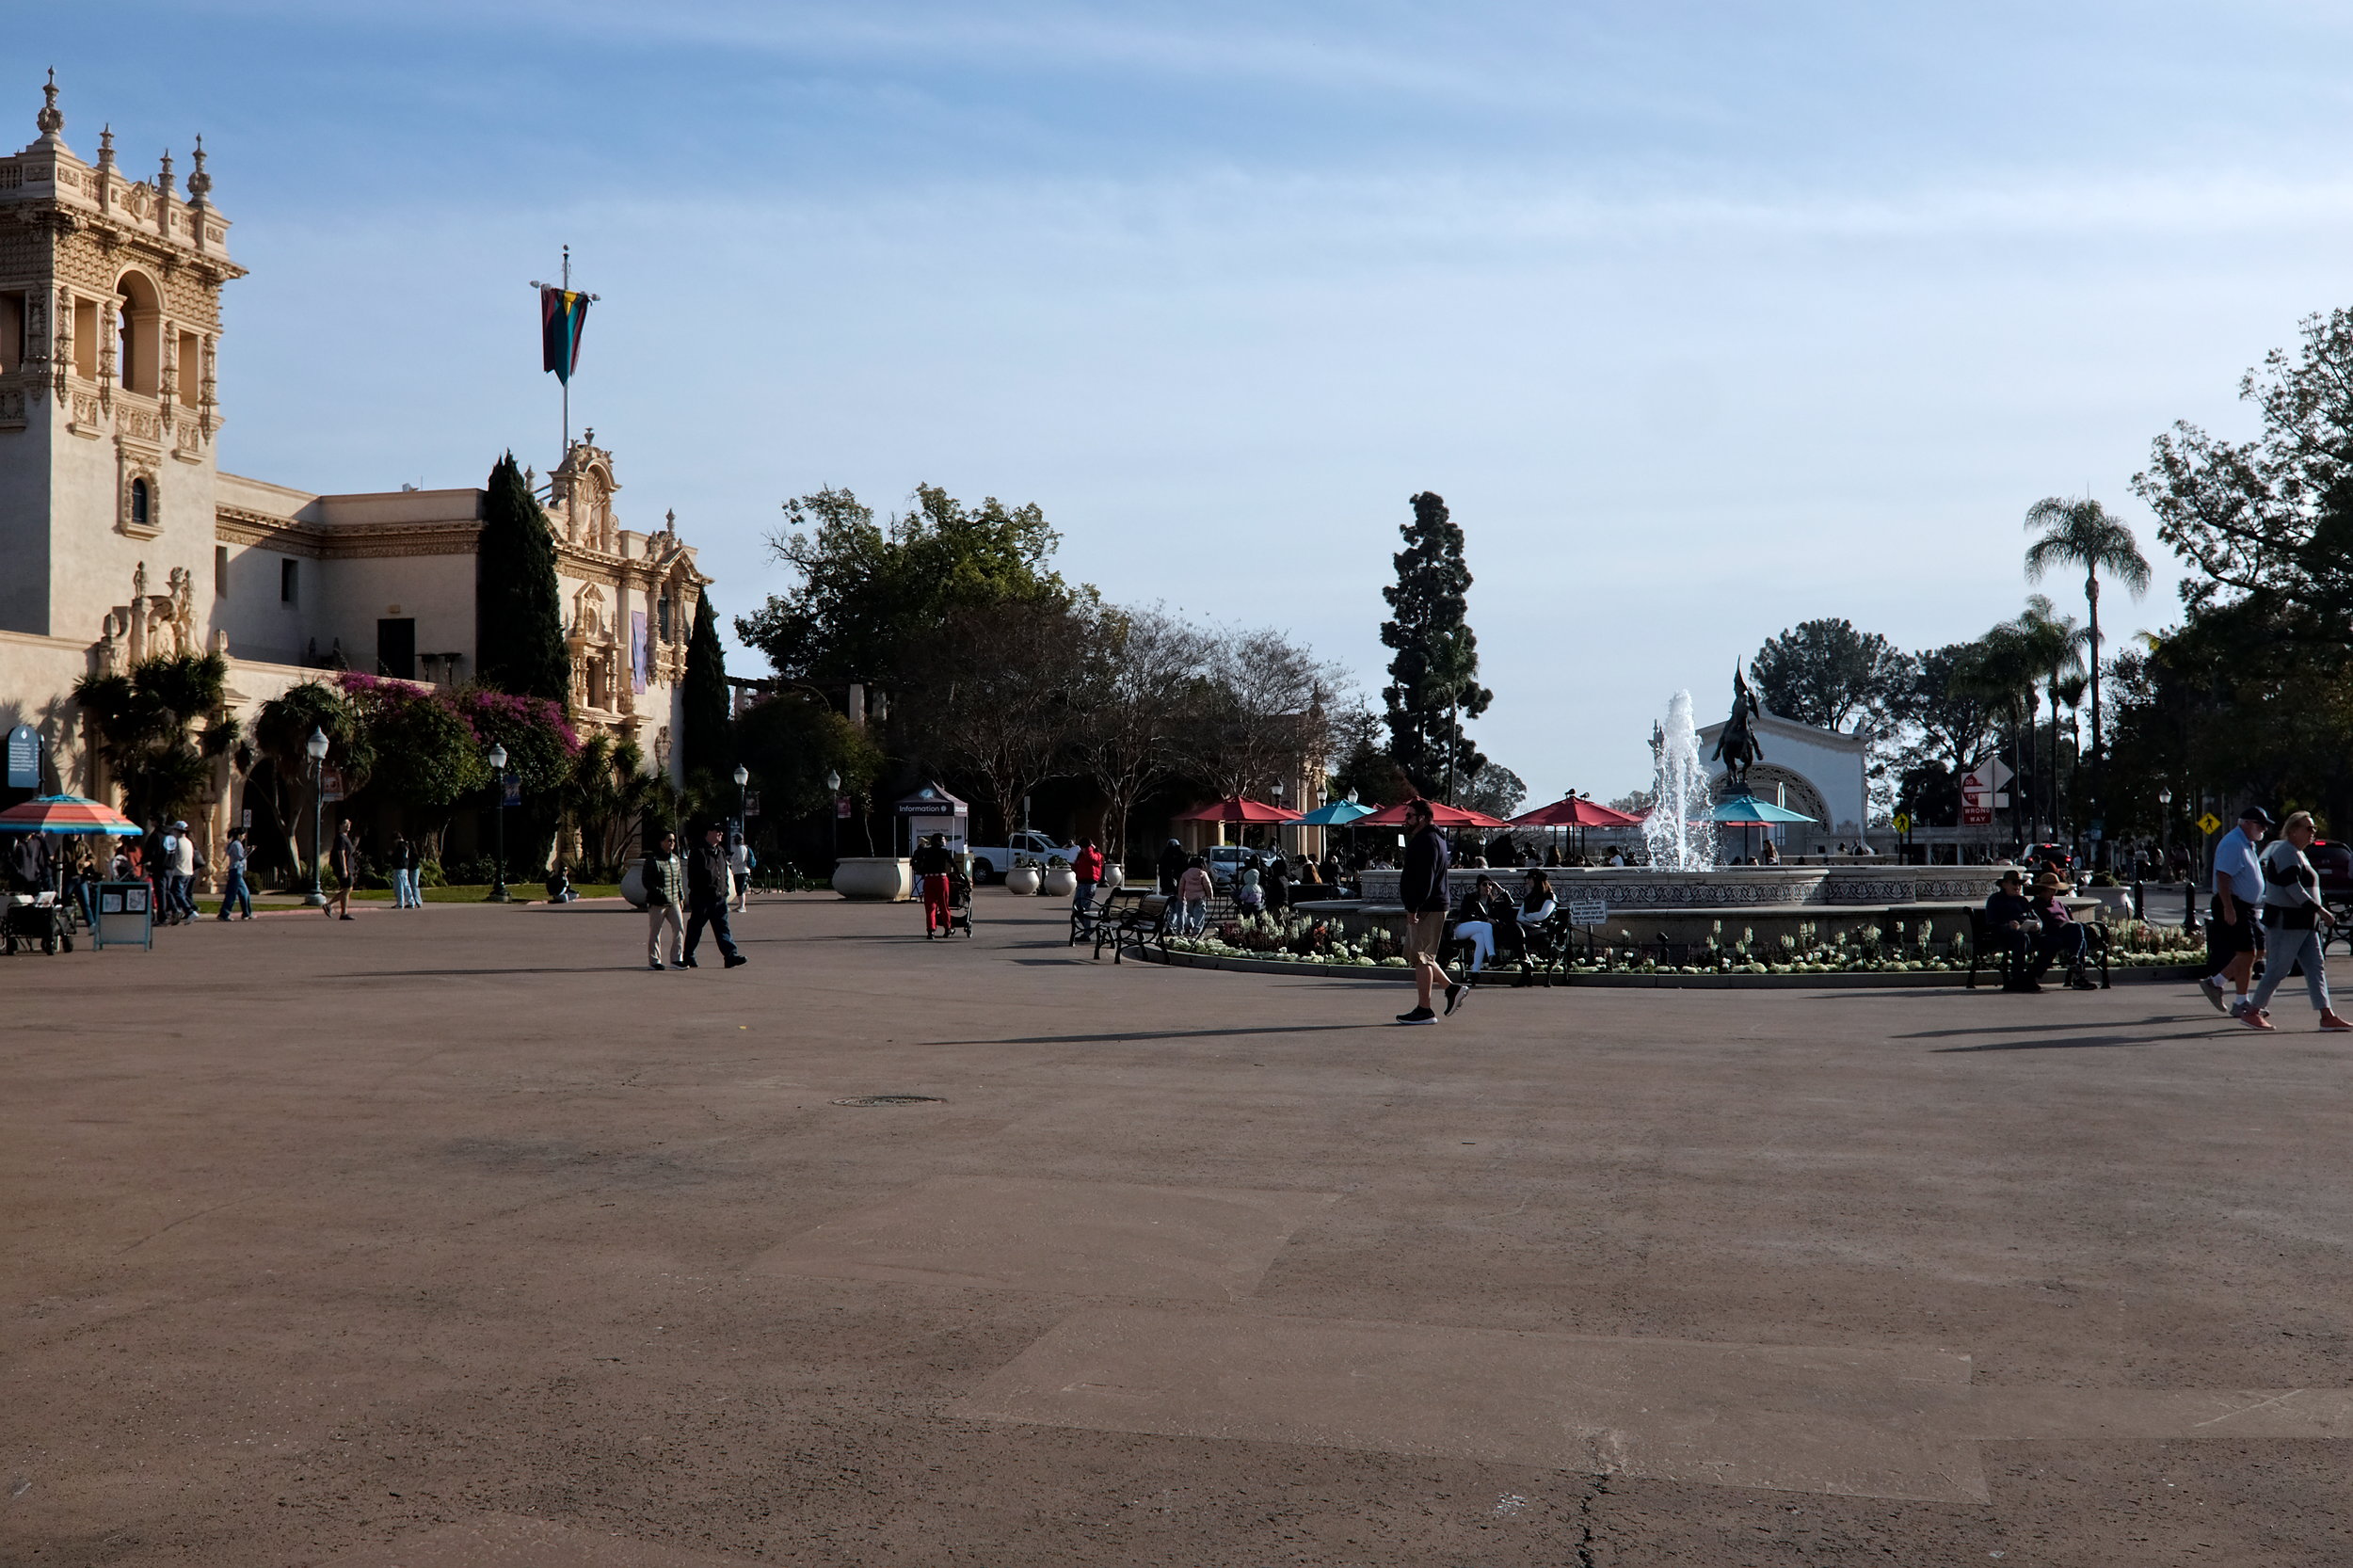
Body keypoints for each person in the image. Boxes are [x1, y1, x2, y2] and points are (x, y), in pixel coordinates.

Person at [2241, 811, 2349, 1032]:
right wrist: (2321, 910)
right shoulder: (2285, 852)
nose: (2313, 833)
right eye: (2308, 828)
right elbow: (2293, 888)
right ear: (2292, 831)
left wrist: (2316, 912)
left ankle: (2326, 1015)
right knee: (2278, 968)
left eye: (2314, 829)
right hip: (2286, 920)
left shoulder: (2298, 853)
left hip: (2304, 922)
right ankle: (2252, 1012)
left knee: (2315, 967)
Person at [2200, 806, 2273, 1017]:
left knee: (2258, 951)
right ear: (2247, 823)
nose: (2263, 830)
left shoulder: (2246, 843)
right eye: (2261, 825)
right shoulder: (2233, 843)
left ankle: (2216, 982)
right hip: (2233, 903)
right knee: (2246, 953)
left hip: (2245, 907)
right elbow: (2223, 876)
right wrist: (2228, 908)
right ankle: (2241, 1002)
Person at [1398, 798, 1461, 1022]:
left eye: (1409, 816)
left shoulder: (1427, 841)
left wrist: (1413, 907)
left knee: (1422, 958)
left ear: (1422, 818)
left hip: (1428, 905)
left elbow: (1425, 879)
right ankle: (1451, 989)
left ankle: (1425, 1010)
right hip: (1431, 904)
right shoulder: (1434, 839)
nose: (1405, 820)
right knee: (1421, 955)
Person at [681, 822, 747, 968]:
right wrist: (700, 894)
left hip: (719, 898)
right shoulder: (698, 851)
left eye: (721, 831)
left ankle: (730, 955)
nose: (721, 833)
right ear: (708, 833)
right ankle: (688, 955)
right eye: (717, 831)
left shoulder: (721, 851)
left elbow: (722, 873)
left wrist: (725, 889)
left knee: (723, 927)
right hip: (703, 898)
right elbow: (693, 877)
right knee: (696, 928)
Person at [2025, 871, 2097, 990]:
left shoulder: (2058, 904)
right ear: (2042, 890)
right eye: (2051, 889)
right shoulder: (2036, 904)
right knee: (2078, 931)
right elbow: (2041, 924)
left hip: (2067, 934)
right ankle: (2077, 971)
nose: (2054, 892)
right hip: (2050, 933)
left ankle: (2075, 964)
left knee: (2080, 934)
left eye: (2055, 889)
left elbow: (2068, 919)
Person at [1983, 870, 2041, 992]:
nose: (2018, 886)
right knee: (2021, 938)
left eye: (2020, 884)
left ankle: (2031, 976)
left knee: (2051, 941)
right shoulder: (1995, 900)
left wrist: (2037, 925)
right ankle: (2017, 978)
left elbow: (2035, 917)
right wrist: (2007, 926)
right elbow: (1991, 923)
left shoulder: (2022, 900)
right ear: (2004, 884)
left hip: (2026, 933)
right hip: (2004, 936)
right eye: (2014, 883)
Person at [1449, 874, 1513, 979]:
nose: (1487, 887)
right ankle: (1492, 957)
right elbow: (1466, 915)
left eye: (1490, 885)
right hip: (1462, 928)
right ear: (1479, 886)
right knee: (1487, 926)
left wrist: (1501, 890)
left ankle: (1475, 972)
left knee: (1481, 939)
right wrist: (1485, 919)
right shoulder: (1470, 898)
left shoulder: (1491, 902)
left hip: (1478, 931)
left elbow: (1510, 904)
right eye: (1484, 884)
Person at [644, 830, 685, 968]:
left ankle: (676, 959)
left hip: (673, 901)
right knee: (655, 931)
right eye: (669, 840)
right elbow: (647, 881)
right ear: (661, 842)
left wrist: (681, 896)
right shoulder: (653, 860)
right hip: (658, 902)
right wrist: (659, 892)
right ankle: (655, 961)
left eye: (673, 840)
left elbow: (678, 879)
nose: (672, 843)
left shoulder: (675, 859)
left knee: (679, 928)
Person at [912, 832, 955, 936]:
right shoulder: (944, 851)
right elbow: (953, 863)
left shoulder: (925, 851)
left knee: (930, 906)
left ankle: (931, 931)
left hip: (928, 880)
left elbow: (915, 859)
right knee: (944, 905)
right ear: (940, 841)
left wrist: (920, 847)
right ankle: (947, 929)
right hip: (941, 879)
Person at [163, 819, 197, 924]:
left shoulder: (177, 842)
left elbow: (173, 857)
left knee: (176, 893)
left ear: (177, 831)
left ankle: (189, 911)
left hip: (179, 872)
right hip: (188, 872)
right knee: (180, 893)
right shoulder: (188, 842)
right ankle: (177, 913)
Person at [216, 827, 254, 920]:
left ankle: (247, 913)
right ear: (239, 835)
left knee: (245, 892)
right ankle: (224, 914)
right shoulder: (237, 844)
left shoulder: (232, 844)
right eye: (243, 835)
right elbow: (240, 857)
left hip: (236, 871)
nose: (244, 837)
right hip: (236, 870)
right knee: (232, 894)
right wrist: (249, 852)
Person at [1176, 855, 1213, 936]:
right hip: (1200, 897)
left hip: (1189, 897)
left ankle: (1188, 926)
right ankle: (1197, 930)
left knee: (1189, 912)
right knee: (1199, 913)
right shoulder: (1203, 873)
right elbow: (1208, 885)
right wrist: (1210, 895)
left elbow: (1181, 886)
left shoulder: (1185, 874)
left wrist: (1181, 896)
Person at [328, 819, 357, 920]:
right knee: (347, 889)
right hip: (343, 867)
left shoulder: (346, 837)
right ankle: (343, 912)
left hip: (349, 866)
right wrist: (344, 869)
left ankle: (330, 906)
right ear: (340, 825)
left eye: (349, 823)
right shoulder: (340, 838)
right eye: (345, 823)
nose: (348, 825)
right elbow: (341, 854)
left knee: (348, 889)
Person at [1071, 836, 1105, 918]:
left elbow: (1091, 858)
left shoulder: (1096, 854)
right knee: (1076, 908)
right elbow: (1077, 866)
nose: (1082, 849)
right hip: (1081, 883)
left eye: (1082, 847)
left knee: (1085, 909)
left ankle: (1088, 929)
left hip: (1089, 884)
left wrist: (1089, 848)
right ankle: (1088, 929)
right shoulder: (1081, 855)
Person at [390, 833, 422, 910]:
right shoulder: (406, 845)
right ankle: (411, 902)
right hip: (405, 867)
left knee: (399, 885)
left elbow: (399, 857)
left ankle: (400, 903)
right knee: (406, 884)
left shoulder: (400, 846)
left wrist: (392, 856)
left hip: (399, 867)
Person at [728, 831, 751, 912]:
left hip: (741, 871)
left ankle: (742, 906)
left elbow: (741, 859)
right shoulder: (739, 848)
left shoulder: (741, 848)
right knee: (739, 889)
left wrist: (732, 862)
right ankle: (740, 905)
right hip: (738, 871)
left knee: (740, 889)